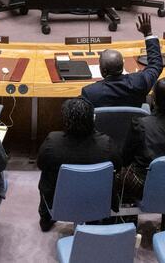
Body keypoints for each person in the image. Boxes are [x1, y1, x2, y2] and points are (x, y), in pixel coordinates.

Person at [36, 98, 118, 231]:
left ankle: (46, 218)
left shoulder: (52, 141)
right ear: (92, 119)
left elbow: (41, 164)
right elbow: (118, 166)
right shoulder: (106, 143)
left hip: (60, 200)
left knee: (46, 174)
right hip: (98, 198)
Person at [80, 14, 162, 108]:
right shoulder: (140, 82)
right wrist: (148, 34)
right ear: (122, 67)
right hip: (135, 122)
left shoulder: (90, 92)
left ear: (103, 71)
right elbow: (156, 65)